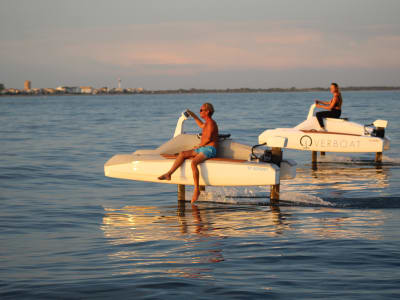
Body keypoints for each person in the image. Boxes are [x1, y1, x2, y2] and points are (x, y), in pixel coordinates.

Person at [158, 103, 219, 203]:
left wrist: (199, 146)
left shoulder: (211, 123)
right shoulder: (206, 123)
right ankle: (169, 174)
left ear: (207, 111)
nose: (200, 112)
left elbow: (208, 138)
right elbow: (200, 124)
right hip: (203, 148)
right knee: (182, 154)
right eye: (199, 110)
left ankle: (196, 189)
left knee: (193, 163)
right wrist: (192, 114)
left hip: (209, 149)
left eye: (201, 110)